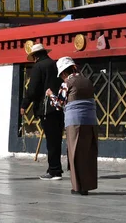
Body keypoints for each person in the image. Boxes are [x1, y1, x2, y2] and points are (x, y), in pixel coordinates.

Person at [47, 57, 98, 196]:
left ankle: (78, 187)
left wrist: (51, 95)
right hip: (90, 121)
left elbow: (59, 104)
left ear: (63, 73)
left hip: (75, 122)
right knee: (88, 153)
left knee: (74, 153)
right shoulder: (87, 81)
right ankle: (87, 185)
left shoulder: (67, 83)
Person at [20, 43, 64, 180]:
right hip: (59, 106)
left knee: (51, 140)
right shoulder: (55, 64)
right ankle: (54, 168)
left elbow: (33, 90)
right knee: (56, 139)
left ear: (35, 56)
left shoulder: (38, 67)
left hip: (46, 108)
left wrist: (24, 105)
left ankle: (54, 171)